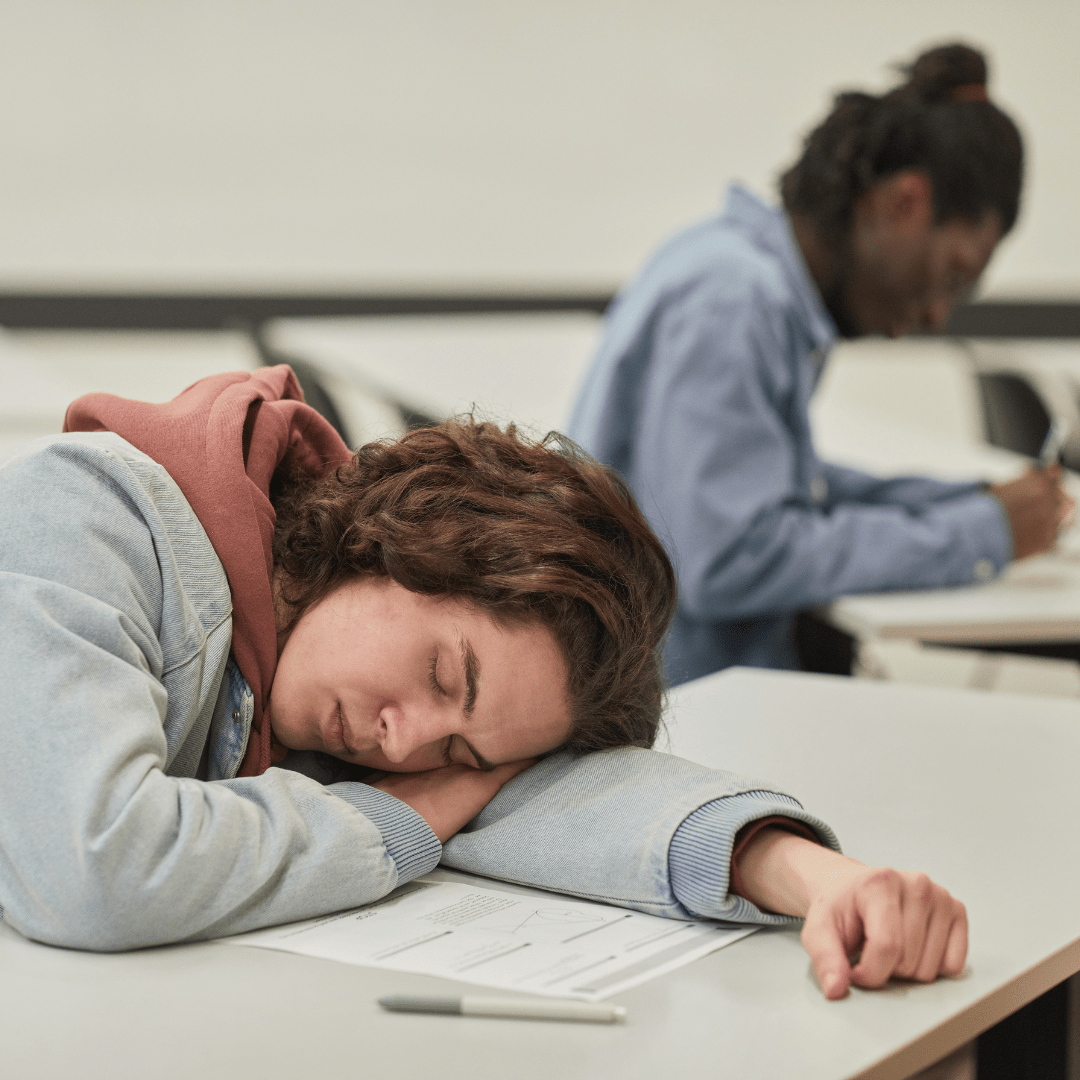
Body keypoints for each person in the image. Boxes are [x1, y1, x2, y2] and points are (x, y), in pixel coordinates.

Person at [0, 366, 964, 999]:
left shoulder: (316, 656)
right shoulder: (86, 516)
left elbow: (537, 794)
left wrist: (816, 877)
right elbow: (93, 864)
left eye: (457, 752)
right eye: (441, 674)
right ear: (390, 542)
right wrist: (396, 822)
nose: (403, 744)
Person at [568, 42, 1071, 684]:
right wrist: (981, 535)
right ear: (905, 202)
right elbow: (729, 558)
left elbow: (777, 485)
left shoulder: (743, 275)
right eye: (954, 273)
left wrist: (963, 502)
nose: (940, 313)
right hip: (691, 718)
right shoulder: (736, 301)